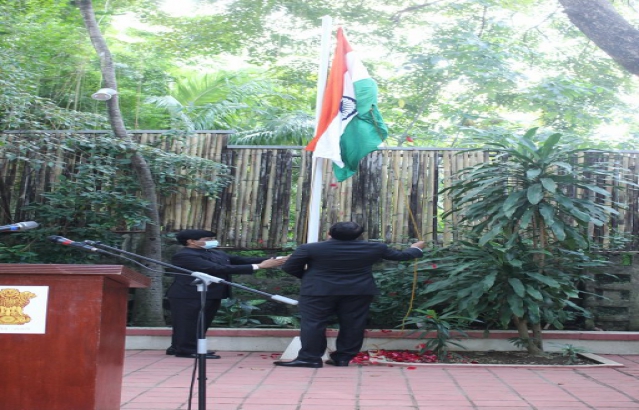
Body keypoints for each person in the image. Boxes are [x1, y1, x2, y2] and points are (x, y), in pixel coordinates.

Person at [274, 221, 425, 368]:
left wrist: (310, 278)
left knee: (313, 323)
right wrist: (415, 248)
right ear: (359, 235)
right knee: (353, 324)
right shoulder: (375, 247)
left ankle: (310, 358)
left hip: (317, 291)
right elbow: (402, 256)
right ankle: (343, 358)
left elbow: (289, 267)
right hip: (358, 291)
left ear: (329, 233)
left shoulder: (310, 248)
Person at [166, 229, 287, 359]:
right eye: (207, 240)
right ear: (191, 241)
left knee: (202, 322)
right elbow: (216, 268)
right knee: (188, 323)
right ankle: (187, 350)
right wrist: (259, 266)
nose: (212, 241)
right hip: (188, 295)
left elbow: (241, 260)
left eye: (212, 239)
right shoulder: (184, 255)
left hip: (212, 293)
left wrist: (278, 260)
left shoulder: (215, 253)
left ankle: (179, 347)